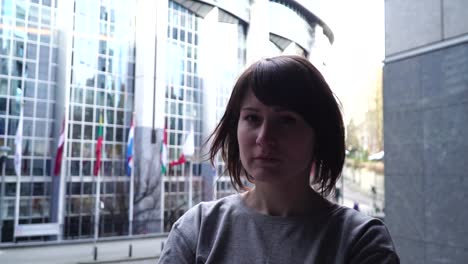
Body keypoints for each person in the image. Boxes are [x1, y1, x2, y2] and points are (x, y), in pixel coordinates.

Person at [158, 55, 399, 263]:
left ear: (320, 133)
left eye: (286, 120)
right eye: (252, 118)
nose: (264, 137)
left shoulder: (361, 241)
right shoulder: (197, 229)